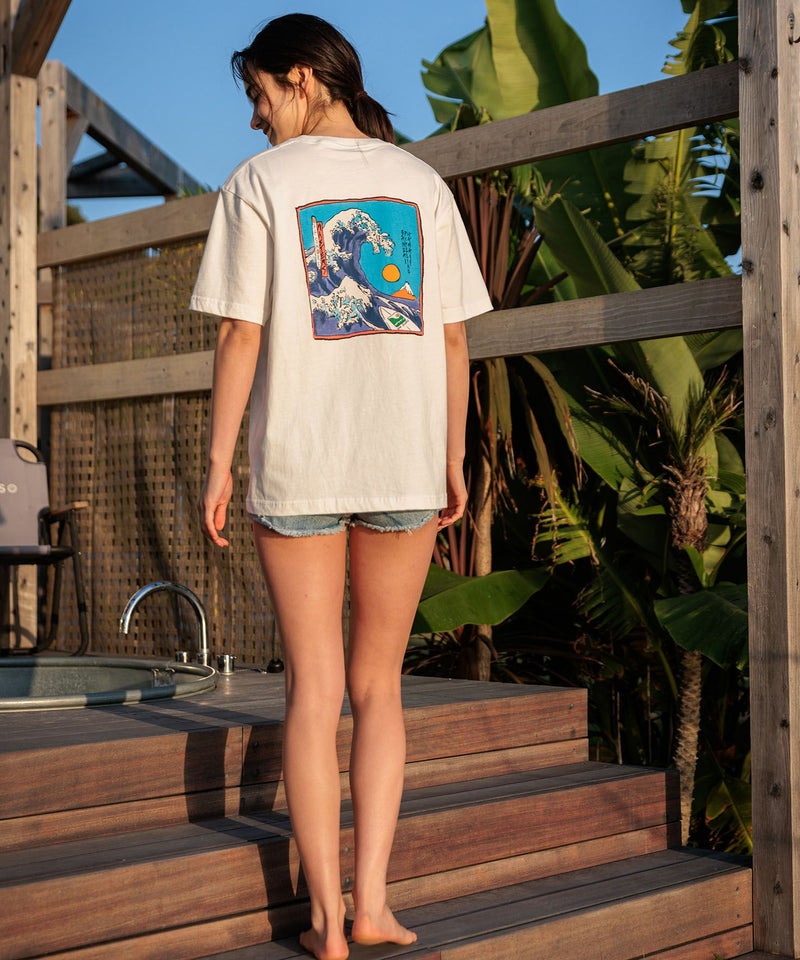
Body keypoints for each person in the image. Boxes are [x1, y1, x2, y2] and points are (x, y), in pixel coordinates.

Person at [191, 13, 492, 960]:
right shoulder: (420, 183)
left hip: (301, 462)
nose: (255, 118)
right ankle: (372, 907)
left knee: (314, 691)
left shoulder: (258, 184)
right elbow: (453, 335)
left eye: (258, 95)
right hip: (404, 459)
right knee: (379, 689)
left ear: (300, 77)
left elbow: (239, 333)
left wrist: (218, 460)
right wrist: (452, 457)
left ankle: (325, 924)